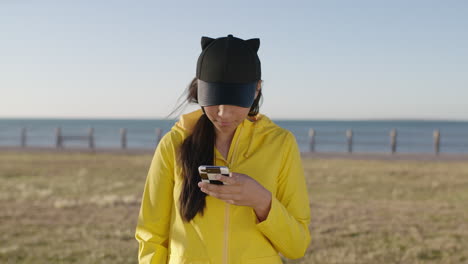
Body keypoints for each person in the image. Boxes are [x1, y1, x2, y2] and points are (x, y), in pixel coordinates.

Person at [135, 34, 311, 264]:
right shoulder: (173, 144)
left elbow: (296, 247)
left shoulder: (280, 144)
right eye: (213, 101)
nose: (222, 114)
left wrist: (262, 202)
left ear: (256, 89)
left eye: (234, 103)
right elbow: (151, 236)